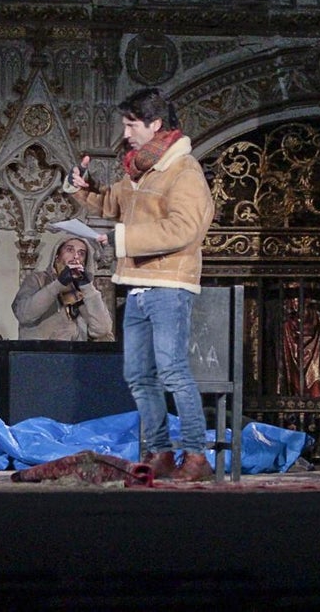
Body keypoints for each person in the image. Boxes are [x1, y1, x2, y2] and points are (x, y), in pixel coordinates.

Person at [63, 88, 216, 482]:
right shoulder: (142, 169)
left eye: (132, 124)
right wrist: (84, 187)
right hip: (137, 284)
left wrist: (122, 241)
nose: (126, 132)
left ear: (156, 124)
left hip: (168, 284)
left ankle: (196, 457)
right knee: (138, 375)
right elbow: (114, 202)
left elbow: (184, 229)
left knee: (174, 373)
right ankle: (161, 451)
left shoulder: (183, 170)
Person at [11, 236, 114, 341]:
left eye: (81, 253)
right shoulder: (38, 279)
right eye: (70, 250)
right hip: (41, 353)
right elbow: (23, 314)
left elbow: (102, 330)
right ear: (57, 256)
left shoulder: (87, 290)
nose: (75, 257)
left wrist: (86, 286)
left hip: (76, 354)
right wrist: (59, 284)